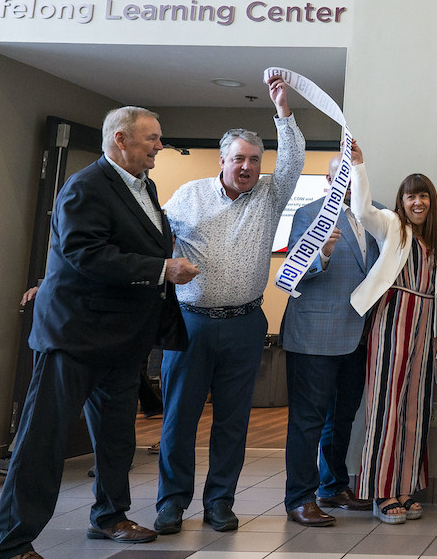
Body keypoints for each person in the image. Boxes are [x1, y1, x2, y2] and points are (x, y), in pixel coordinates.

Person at [0, 106, 199, 559]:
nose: (160, 146)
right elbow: (86, 254)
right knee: (42, 443)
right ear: (121, 139)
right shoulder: (85, 187)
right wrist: (161, 268)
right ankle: (11, 544)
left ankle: (109, 516)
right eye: (152, 138)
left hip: (122, 343)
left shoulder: (144, 186)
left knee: (118, 438)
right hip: (75, 338)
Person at [155, 76, 306, 535]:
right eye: (238, 158)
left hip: (244, 324)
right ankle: (172, 504)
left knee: (233, 421)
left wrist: (283, 110)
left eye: (254, 160)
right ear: (223, 160)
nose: (246, 166)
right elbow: (152, 239)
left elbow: (294, 160)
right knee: (179, 418)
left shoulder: (269, 196)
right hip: (189, 323)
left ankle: (220, 501)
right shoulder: (189, 196)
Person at [279, 155, 383, 527]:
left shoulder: (379, 216)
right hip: (314, 336)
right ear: (328, 180)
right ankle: (300, 498)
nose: (348, 181)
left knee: (343, 418)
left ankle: (333, 485)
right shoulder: (310, 215)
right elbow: (292, 274)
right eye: (340, 175)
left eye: (354, 173)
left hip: (360, 337)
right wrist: (320, 254)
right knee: (307, 421)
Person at [347, 141, 437, 526]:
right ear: (401, 202)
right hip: (392, 319)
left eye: (423, 196)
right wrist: (358, 165)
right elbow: (361, 209)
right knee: (386, 405)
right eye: (410, 196)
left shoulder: (435, 241)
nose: (417, 203)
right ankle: (381, 492)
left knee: (416, 407)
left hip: (425, 325)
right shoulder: (392, 226)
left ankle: (406, 486)